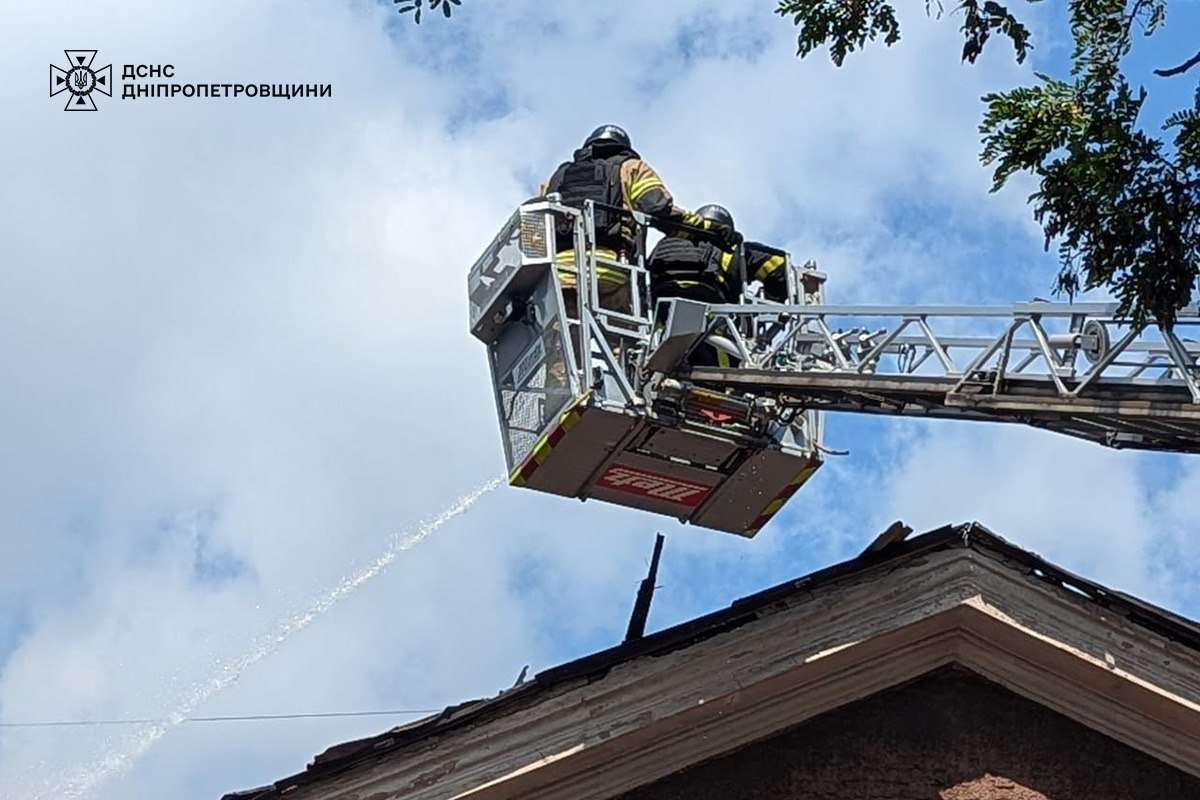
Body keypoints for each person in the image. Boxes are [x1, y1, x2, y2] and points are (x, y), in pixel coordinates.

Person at [646, 203, 745, 367]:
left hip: (662, 306)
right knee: (721, 351)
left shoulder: (665, 243)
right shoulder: (726, 245)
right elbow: (772, 268)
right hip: (704, 303)